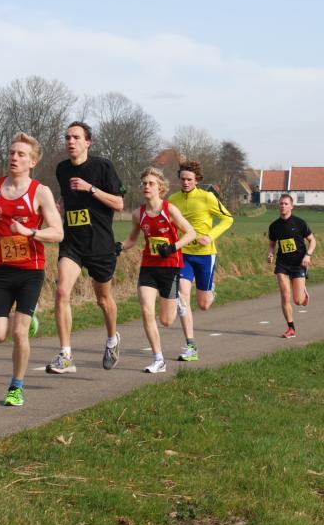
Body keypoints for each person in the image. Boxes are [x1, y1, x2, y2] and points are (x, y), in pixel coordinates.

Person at [0, 132, 63, 406]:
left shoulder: (40, 192)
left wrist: (30, 232)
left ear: (32, 162)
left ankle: (16, 386)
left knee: (19, 333)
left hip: (30, 270)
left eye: (21, 154)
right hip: (2, 270)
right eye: (12, 152)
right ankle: (29, 317)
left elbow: (58, 233)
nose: (14, 157)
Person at [46, 121, 125, 374]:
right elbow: (67, 197)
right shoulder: (62, 169)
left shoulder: (103, 167)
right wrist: (60, 204)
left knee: (103, 300)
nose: (70, 141)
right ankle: (66, 355)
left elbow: (119, 203)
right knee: (61, 292)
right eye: (67, 137)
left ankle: (112, 340)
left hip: (100, 244)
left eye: (76, 137)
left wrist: (91, 189)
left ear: (87, 142)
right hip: (72, 243)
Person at [119, 167, 195, 373]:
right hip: (149, 267)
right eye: (144, 183)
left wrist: (172, 247)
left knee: (167, 320)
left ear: (160, 188)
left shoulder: (169, 209)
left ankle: (178, 299)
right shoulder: (138, 214)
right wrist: (118, 247)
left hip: (170, 267)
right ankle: (158, 358)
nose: (146, 187)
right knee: (146, 310)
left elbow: (191, 233)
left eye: (151, 183)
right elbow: (132, 240)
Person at [168, 161, 233, 362]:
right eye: (183, 179)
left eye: (189, 179)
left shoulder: (207, 197)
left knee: (203, 304)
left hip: (205, 255)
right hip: (183, 254)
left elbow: (228, 219)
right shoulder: (173, 199)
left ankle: (210, 288)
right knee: (182, 296)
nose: (185, 182)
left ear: (197, 180)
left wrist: (211, 236)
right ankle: (191, 345)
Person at [267, 194, 316, 338]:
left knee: (298, 301)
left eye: (286, 204)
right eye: (281, 203)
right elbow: (272, 244)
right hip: (282, 264)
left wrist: (308, 255)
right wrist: (270, 254)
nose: (283, 206)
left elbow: (312, 241)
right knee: (285, 295)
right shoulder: (274, 226)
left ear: (291, 206)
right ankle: (291, 328)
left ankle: (303, 293)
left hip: (299, 263)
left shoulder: (300, 223)